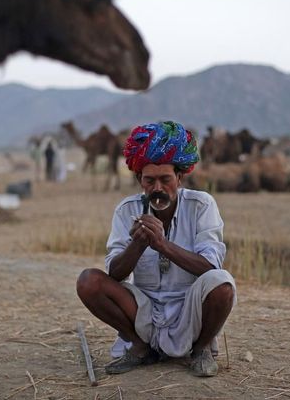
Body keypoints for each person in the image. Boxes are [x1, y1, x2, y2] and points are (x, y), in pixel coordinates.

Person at [76, 121, 236, 377]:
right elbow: (114, 275)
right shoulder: (126, 210)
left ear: (180, 178)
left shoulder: (201, 205)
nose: (158, 188)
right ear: (140, 180)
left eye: (166, 179)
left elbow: (209, 267)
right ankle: (140, 348)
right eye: (150, 180)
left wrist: (162, 244)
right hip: (143, 310)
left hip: (190, 310)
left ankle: (201, 349)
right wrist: (138, 244)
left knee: (223, 284)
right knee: (88, 281)